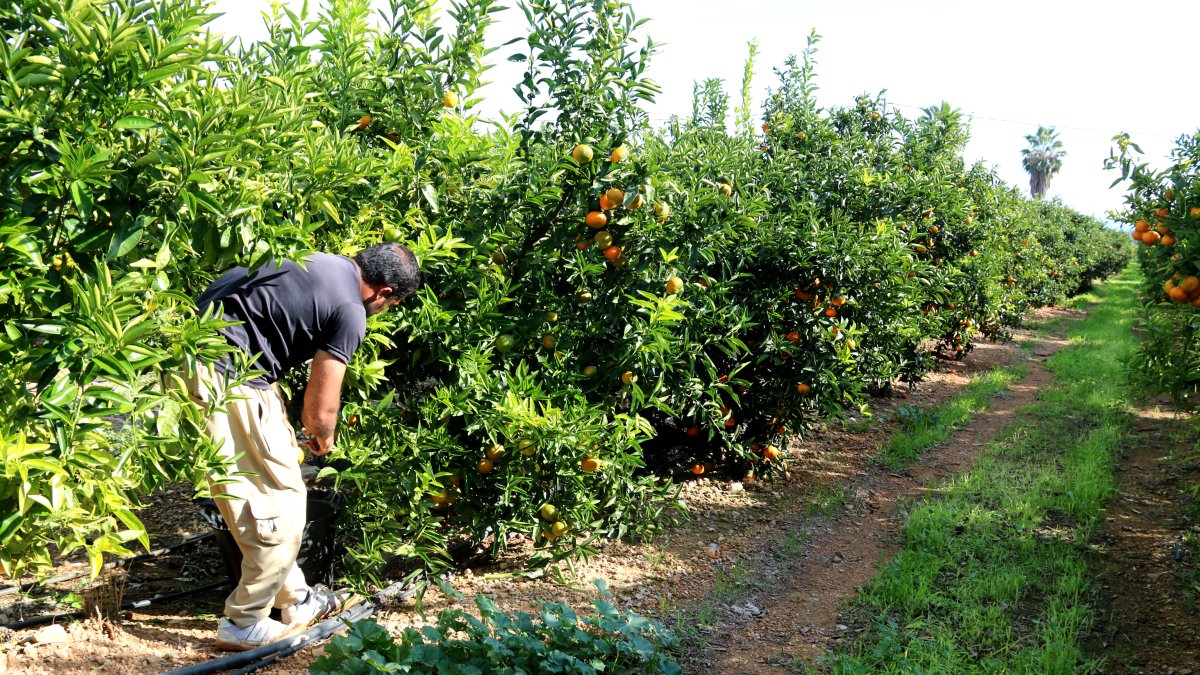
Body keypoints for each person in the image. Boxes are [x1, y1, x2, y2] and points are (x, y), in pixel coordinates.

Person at [186, 243, 420, 651]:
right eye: (393, 303)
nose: (386, 309)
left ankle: (296, 599)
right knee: (282, 504)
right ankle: (245, 620)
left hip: (194, 355)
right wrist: (323, 436)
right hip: (231, 376)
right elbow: (319, 409)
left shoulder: (315, 261)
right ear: (383, 292)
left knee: (254, 494)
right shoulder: (351, 308)